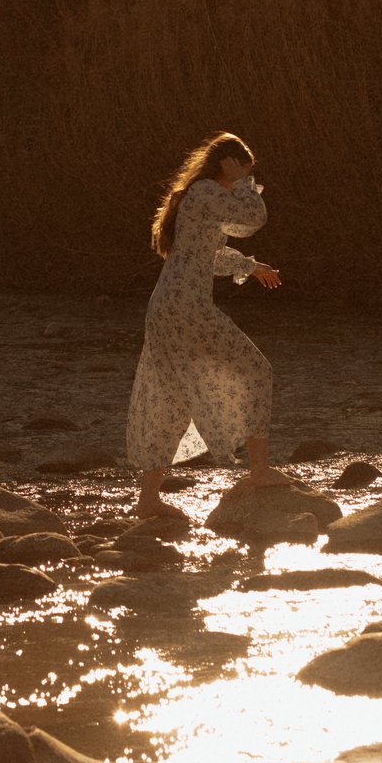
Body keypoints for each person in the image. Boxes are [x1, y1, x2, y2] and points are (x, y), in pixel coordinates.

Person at [124, 131, 286, 520]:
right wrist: (243, 182)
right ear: (227, 165)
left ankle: (148, 499)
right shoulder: (207, 192)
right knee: (257, 371)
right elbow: (254, 217)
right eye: (242, 171)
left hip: (170, 306)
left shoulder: (200, 195)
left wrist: (252, 266)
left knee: (172, 397)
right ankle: (259, 470)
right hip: (185, 308)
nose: (245, 181)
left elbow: (209, 255)